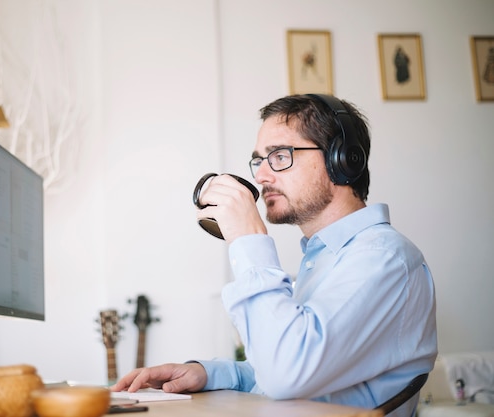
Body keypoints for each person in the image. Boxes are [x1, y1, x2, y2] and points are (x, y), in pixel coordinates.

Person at [110, 94, 438, 416]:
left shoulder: (383, 258)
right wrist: (208, 374)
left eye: (279, 156)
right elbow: (292, 370)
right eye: (259, 160)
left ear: (342, 159)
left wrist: (249, 240)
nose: (261, 176)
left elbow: (287, 374)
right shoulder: (326, 256)